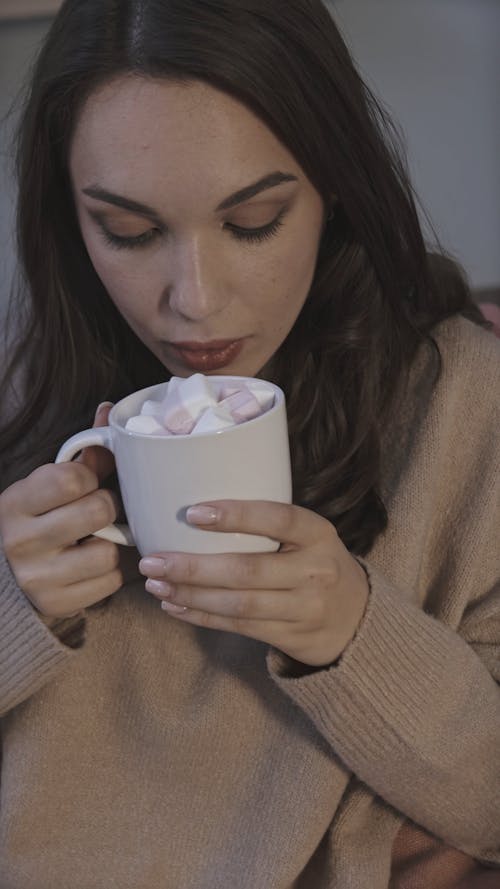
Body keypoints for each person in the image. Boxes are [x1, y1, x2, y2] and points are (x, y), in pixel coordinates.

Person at [0, 1, 498, 887]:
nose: (193, 299)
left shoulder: (464, 407)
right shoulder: (24, 394)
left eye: (254, 220)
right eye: (128, 230)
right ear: (68, 220)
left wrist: (353, 633)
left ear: (335, 184)